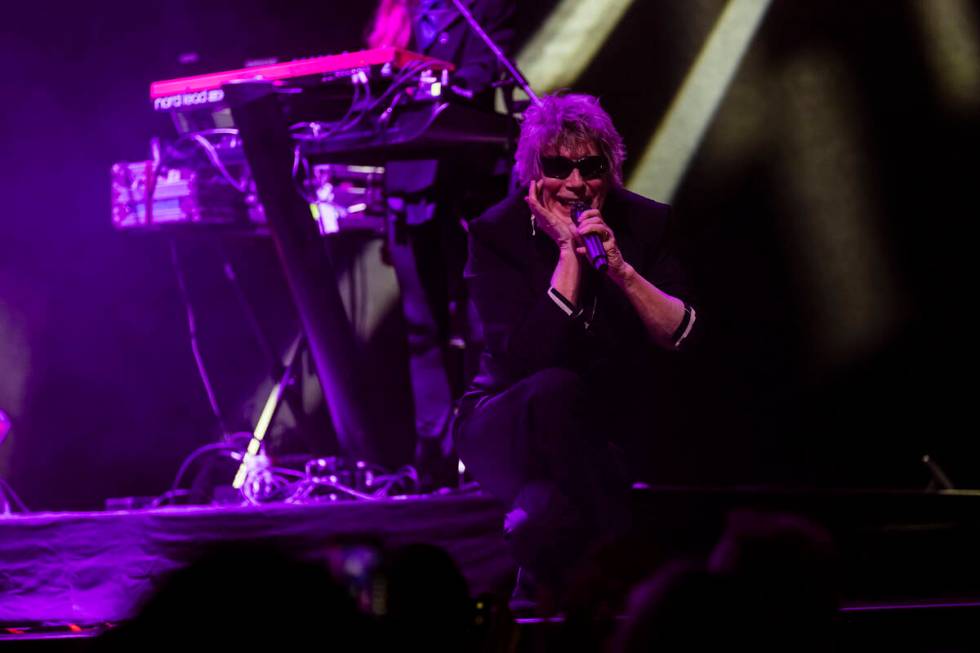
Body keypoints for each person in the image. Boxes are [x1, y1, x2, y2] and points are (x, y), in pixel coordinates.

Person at [453, 93, 698, 602]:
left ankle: (545, 540)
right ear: (530, 171)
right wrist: (568, 252)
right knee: (556, 390)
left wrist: (621, 271)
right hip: (508, 420)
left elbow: (683, 334)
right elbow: (526, 361)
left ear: (611, 168)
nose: (576, 183)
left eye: (591, 166)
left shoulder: (645, 224)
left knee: (550, 511)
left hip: (597, 426)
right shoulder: (495, 234)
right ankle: (621, 553)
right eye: (558, 167)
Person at [366, 0, 515, 486]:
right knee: (421, 328)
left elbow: (487, 68)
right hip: (409, 180)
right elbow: (373, 84)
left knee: (481, 321)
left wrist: (442, 80)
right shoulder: (396, 12)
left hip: (469, 174)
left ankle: (487, 447)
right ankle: (433, 453)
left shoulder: (483, 8)